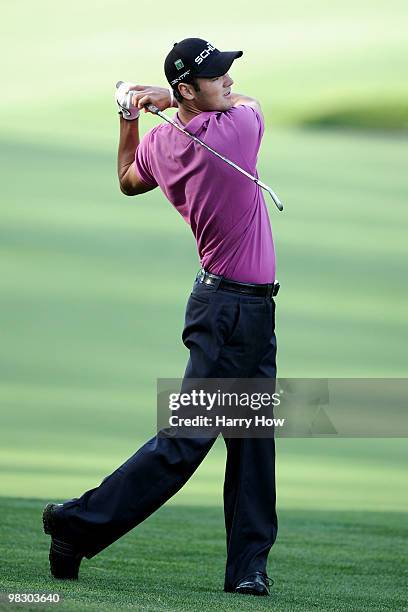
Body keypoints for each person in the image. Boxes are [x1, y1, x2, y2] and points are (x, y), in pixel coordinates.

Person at [43, 37, 279, 597]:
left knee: (253, 438)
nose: (226, 80)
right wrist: (164, 102)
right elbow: (252, 101)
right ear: (186, 90)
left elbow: (127, 178)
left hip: (238, 307)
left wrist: (131, 115)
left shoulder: (163, 147)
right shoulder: (235, 131)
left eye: (225, 71)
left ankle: (248, 567)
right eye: (213, 75)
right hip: (230, 311)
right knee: (186, 441)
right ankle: (76, 525)